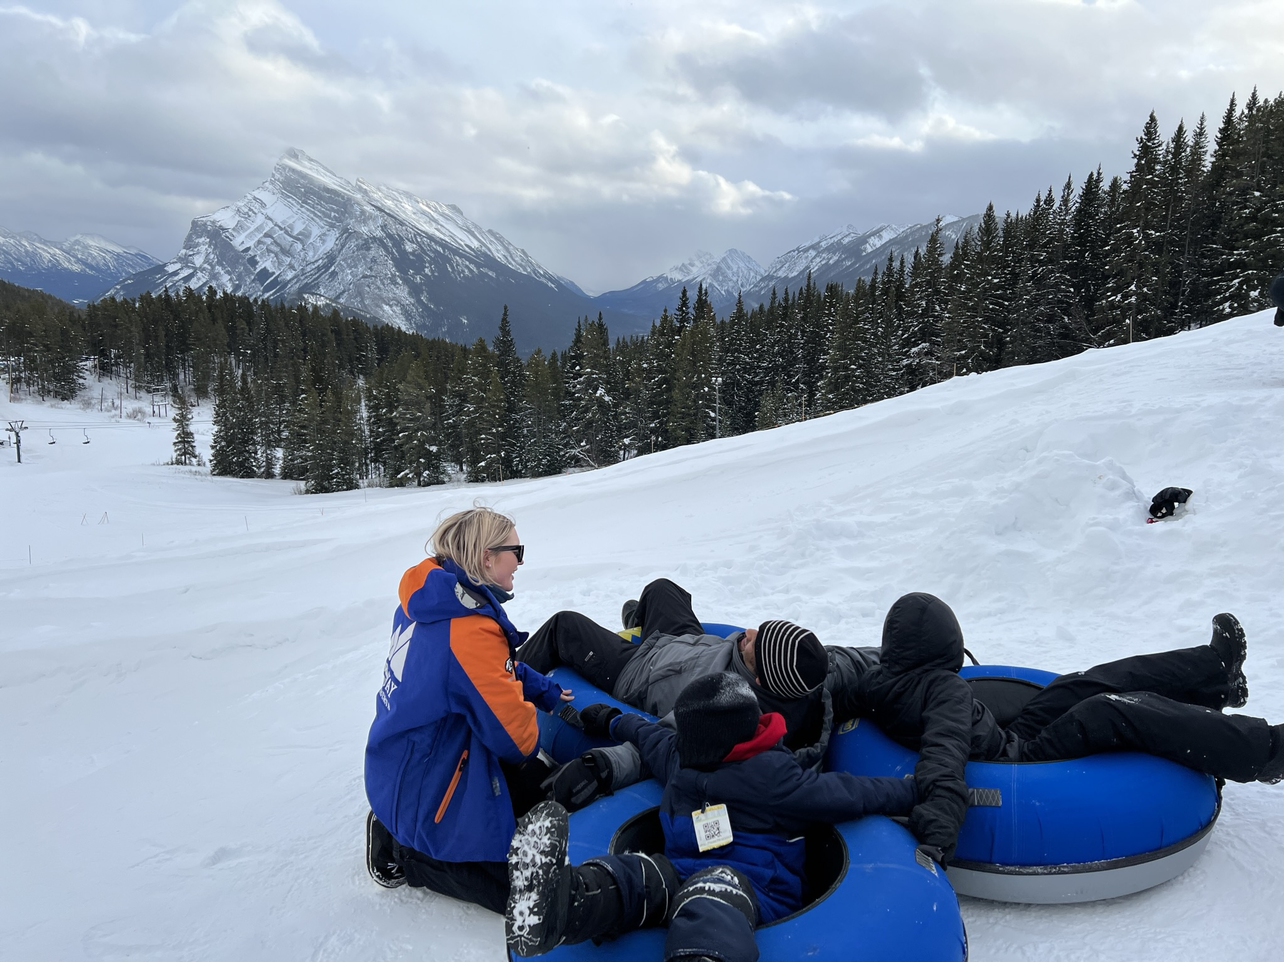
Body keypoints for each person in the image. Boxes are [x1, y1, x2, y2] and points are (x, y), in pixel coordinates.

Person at [833, 592, 1284, 861]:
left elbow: (844, 693)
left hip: (1007, 734)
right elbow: (944, 754)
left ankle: (1216, 673)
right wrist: (938, 823)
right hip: (1020, 760)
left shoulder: (877, 680)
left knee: (1080, 685)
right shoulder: (944, 692)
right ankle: (1263, 751)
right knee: (1113, 707)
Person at [504, 672, 920, 961]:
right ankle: (564, 903)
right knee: (636, 874)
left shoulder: (775, 779)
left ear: (715, 741)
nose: (679, 745)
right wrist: (614, 720)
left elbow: (851, 793)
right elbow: (650, 735)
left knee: (711, 892)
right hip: (679, 870)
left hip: (754, 889)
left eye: (688, 738)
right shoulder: (684, 757)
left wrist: (918, 789)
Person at [362, 507, 573, 912]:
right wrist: (531, 711)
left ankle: (394, 823)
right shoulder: (469, 630)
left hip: (395, 765)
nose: (522, 562)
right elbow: (519, 741)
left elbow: (477, 670)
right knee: (529, 894)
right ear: (486, 558)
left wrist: (541, 688)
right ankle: (404, 854)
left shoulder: (429, 600)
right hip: (425, 791)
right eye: (517, 550)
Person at [521, 578, 880, 807]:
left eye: (754, 644)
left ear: (758, 681)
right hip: (688, 643)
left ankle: (497, 681)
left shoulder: (723, 703)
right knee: (662, 589)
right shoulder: (813, 667)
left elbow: (665, 744)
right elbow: (862, 659)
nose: (749, 631)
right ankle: (640, 624)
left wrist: (604, 766)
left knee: (563, 625)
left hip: (637, 670)